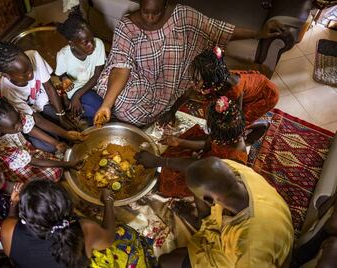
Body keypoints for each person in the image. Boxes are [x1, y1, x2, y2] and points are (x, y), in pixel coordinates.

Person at [93, 0, 286, 127]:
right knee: (118, 104)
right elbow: (121, 67)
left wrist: (258, 34)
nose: (150, 18)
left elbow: (215, 29)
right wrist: (106, 105)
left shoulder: (183, 16)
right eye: (145, 12)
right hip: (140, 77)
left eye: (156, 13)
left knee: (144, 112)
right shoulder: (127, 26)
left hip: (173, 79)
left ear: (166, 5)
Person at [135, 155, 294, 267]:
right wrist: (158, 161)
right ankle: (200, 222)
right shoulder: (234, 169)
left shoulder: (251, 248)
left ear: (210, 201)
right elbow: (196, 166)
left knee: (165, 261)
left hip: (237, 257)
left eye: (197, 196)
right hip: (256, 223)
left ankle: (200, 225)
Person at [0, 180, 157, 268]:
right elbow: (109, 238)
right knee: (124, 233)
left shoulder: (7, 230)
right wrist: (109, 201)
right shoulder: (84, 229)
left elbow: (12, 221)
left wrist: (13, 205)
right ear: (68, 206)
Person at [0, 42, 78, 152]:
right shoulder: (9, 93)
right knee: (51, 145)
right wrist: (63, 136)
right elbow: (37, 120)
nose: (31, 74)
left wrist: (61, 117)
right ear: (6, 75)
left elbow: (49, 88)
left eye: (30, 67)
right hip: (27, 119)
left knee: (69, 126)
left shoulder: (33, 55)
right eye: (24, 73)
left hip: (43, 104)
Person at [163, 47, 279, 130]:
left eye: (197, 81)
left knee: (235, 126)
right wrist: (171, 112)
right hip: (250, 84)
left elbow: (235, 120)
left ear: (210, 80)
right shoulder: (218, 78)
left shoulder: (233, 90)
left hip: (265, 95)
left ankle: (262, 124)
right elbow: (188, 94)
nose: (193, 83)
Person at [158, 96, 249, 197]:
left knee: (170, 183)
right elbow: (207, 144)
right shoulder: (227, 136)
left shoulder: (235, 160)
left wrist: (196, 162)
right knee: (175, 153)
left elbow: (210, 176)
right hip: (210, 161)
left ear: (218, 134)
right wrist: (180, 142)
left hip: (213, 179)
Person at [0, 96, 82, 182]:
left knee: (54, 156)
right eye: (15, 126)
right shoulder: (1, 148)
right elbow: (34, 162)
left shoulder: (11, 120)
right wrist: (67, 164)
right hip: (15, 166)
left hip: (24, 150)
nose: (20, 125)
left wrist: (56, 143)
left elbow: (29, 128)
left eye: (18, 120)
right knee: (55, 172)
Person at [55, 7, 105, 124]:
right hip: (76, 88)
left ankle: (82, 116)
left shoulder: (99, 44)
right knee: (97, 109)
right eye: (85, 42)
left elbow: (97, 75)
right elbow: (61, 75)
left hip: (95, 83)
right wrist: (65, 79)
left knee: (105, 108)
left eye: (91, 39)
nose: (91, 45)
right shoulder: (63, 55)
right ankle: (82, 116)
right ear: (72, 44)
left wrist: (77, 96)